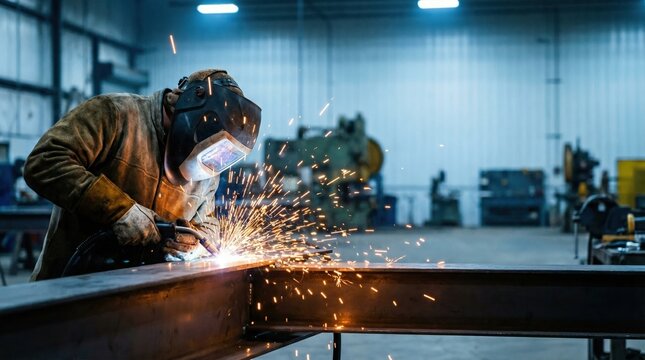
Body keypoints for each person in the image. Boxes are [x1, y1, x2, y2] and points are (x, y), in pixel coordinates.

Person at [24, 69, 261, 280]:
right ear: (190, 108)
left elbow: (207, 222)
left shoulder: (208, 167)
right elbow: (43, 162)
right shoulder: (115, 114)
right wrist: (119, 210)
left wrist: (196, 243)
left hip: (141, 300)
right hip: (70, 286)